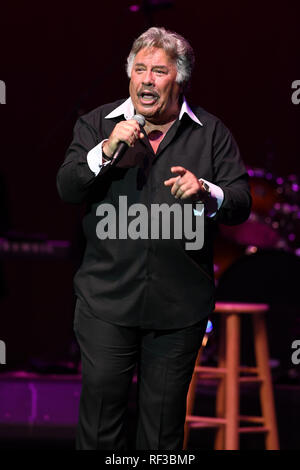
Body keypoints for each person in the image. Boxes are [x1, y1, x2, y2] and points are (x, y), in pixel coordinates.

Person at [56, 27, 251, 450]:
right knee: (99, 427)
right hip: (107, 303)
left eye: (158, 71)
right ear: (129, 76)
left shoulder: (211, 134)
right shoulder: (98, 124)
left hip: (178, 308)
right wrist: (107, 150)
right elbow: (68, 187)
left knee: (161, 434)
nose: (146, 79)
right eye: (139, 69)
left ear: (178, 79)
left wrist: (206, 191)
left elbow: (240, 201)